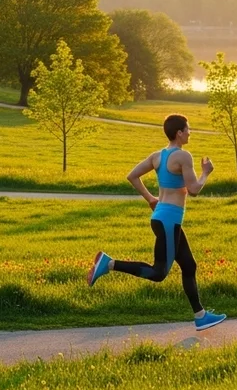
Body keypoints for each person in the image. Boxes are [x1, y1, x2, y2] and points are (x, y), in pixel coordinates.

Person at [87, 113, 226, 331]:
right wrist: (206, 173)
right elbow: (194, 189)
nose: (190, 132)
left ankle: (201, 316)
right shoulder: (183, 156)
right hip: (169, 221)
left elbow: (132, 176)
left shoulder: (157, 156)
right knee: (159, 273)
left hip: (163, 218)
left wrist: (151, 199)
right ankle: (109, 264)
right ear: (179, 133)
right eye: (188, 129)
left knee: (189, 265)